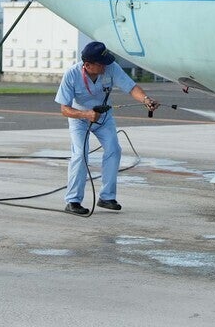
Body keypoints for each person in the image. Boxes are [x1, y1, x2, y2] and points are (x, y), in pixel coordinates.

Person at [56, 41, 157, 215]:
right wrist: (86, 114)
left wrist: (146, 99)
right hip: (79, 119)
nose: (106, 66)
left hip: (104, 118)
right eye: (101, 63)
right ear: (87, 65)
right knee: (80, 154)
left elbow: (131, 87)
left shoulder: (111, 67)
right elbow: (64, 109)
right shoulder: (71, 75)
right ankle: (72, 201)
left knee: (114, 150)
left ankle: (107, 197)